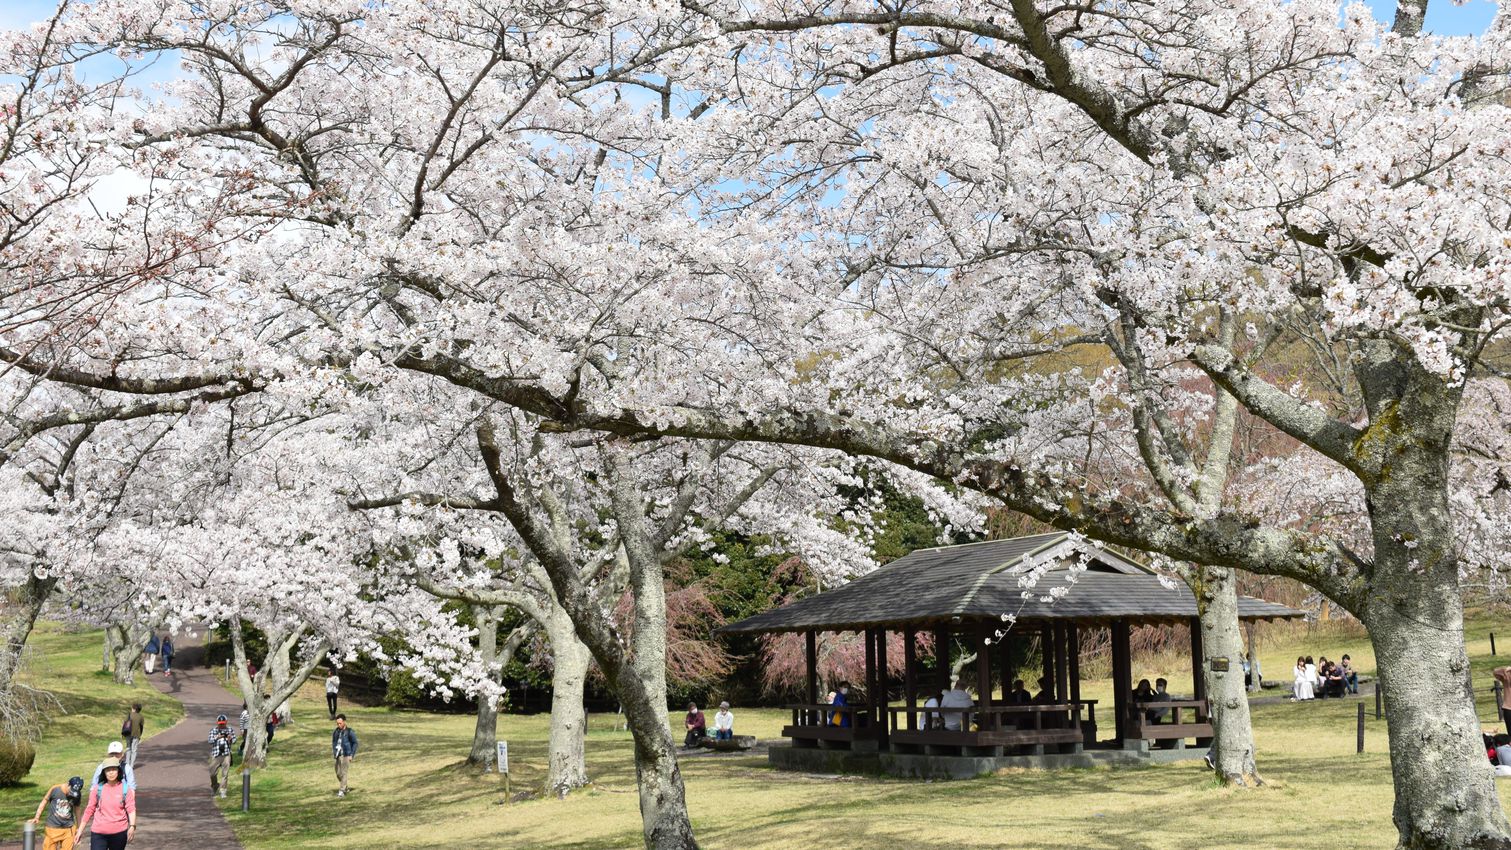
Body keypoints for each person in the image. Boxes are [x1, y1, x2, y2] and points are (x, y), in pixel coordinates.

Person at [75, 758, 136, 850]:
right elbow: (89, 810)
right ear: (104, 772)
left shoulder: (125, 789)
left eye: (113, 769)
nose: (111, 772)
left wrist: (132, 826)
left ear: (118, 771)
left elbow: (131, 809)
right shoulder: (97, 789)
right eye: (108, 770)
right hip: (99, 833)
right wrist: (80, 830)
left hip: (119, 833)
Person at [28, 775, 83, 850]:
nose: (71, 794)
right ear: (68, 784)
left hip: (68, 828)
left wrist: (79, 828)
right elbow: (44, 800)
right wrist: (37, 817)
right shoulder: (55, 789)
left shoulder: (77, 795)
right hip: (52, 828)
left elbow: (77, 810)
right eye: (71, 791)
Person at [208, 714, 237, 798]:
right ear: (217, 723)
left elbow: (234, 740)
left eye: (223, 723)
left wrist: (230, 739)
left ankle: (223, 791)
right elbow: (209, 741)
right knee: (212, 773)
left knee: (225, 774)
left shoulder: (230, 730)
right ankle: (215, 786)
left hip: (226, 754)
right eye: (220, 723)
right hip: (215, 754)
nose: (221, 725)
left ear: (226, 722)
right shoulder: (213, 730)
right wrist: (217, 737)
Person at [331, 713, 359, 797]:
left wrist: (351, 755)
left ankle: (341, 791)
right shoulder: (336, 731)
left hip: (346, 754)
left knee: (344, 772)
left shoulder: (350, 731)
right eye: (337, 723)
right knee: (338, 773)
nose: (339, 725)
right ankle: (345, 786)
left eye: (340, 723)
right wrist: (334, 752)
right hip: (338, 755)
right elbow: (334, 742)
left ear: (344, 722)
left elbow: (355, 743)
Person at [124, 702, 144, 771]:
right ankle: (131, 765)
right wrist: (140, 734)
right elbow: (141, 727)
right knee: (134, 750)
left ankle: (127, 764)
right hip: (136, 734)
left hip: (128, 733)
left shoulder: (129, 714)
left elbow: (125, 723)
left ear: (134, 708)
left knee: (128, 748)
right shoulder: (141, 716)